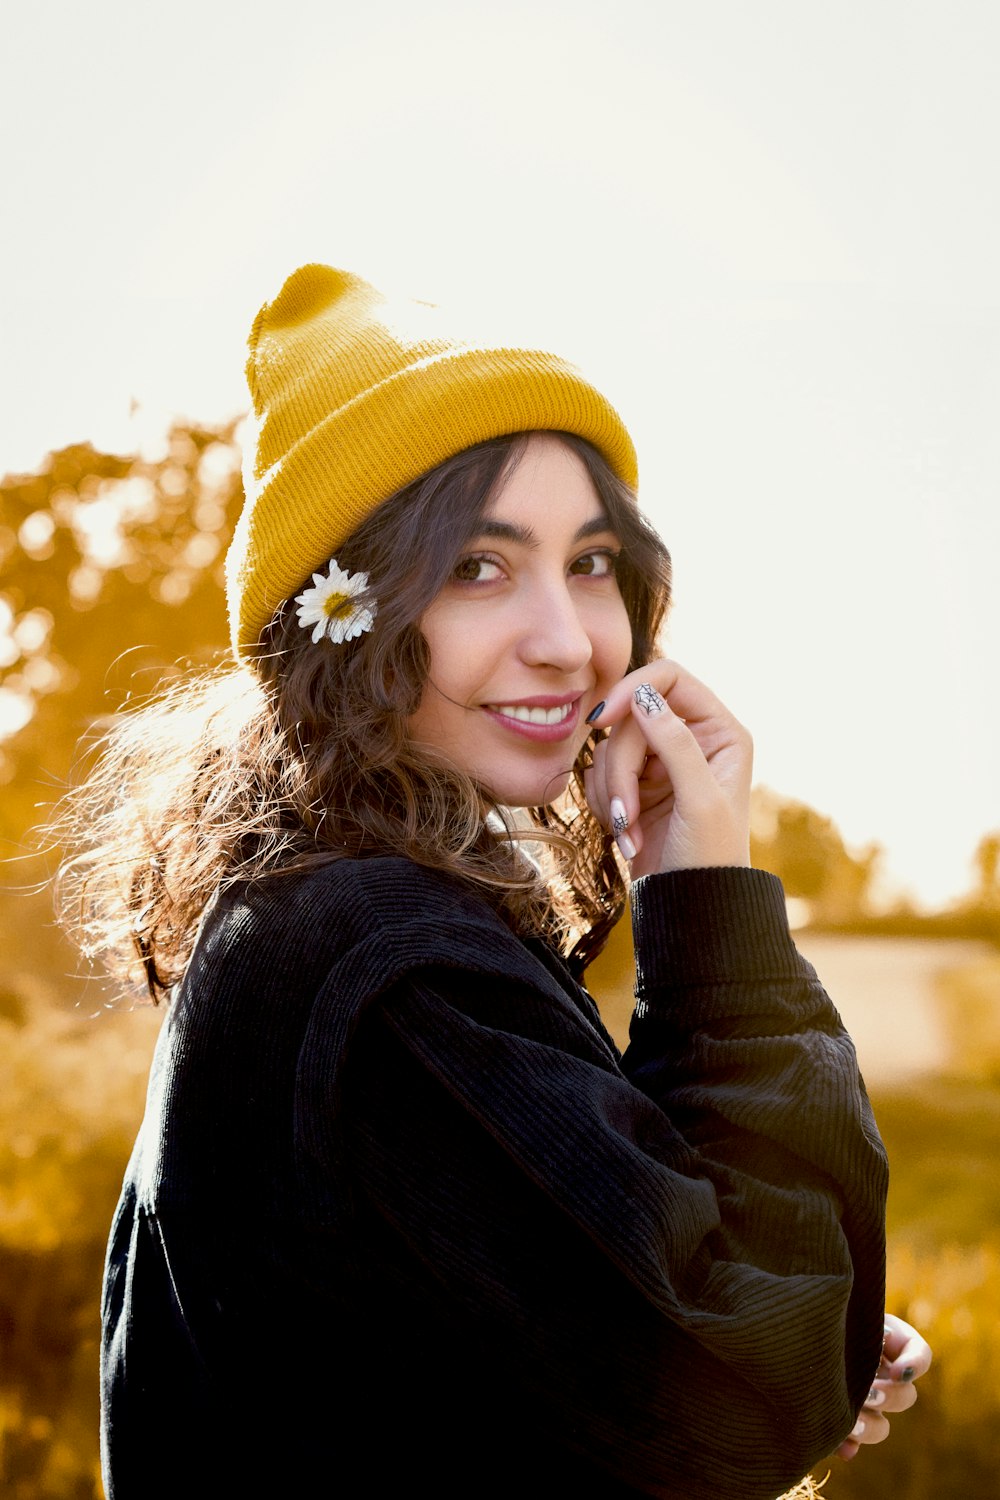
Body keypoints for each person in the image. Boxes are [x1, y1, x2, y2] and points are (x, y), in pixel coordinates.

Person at [58, 265, 929, 1499]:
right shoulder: (385, 964)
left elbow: (636, 1343)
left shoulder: (305, 911)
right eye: (477, 565)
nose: (568, 640)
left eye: (590, 563)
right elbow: (745, 1385)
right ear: (342, 616)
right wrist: (712, 917)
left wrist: (750, 1340)